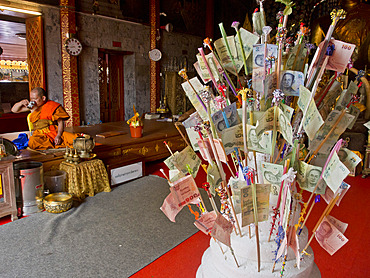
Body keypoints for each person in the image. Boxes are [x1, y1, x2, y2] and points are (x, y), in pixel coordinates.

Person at [11, 87, 78, 150]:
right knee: (32, 142)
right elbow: (14, 110)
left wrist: (59, 135)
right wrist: (20, 103)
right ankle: (51, 144)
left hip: (53, 132)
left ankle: (54, 143)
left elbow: (60, 122)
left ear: (43, 98)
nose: (33, 101)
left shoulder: (52, 106)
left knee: (76, 139)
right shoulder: (32, 107)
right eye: (31, 99)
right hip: (40, 135)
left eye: (35, 99)